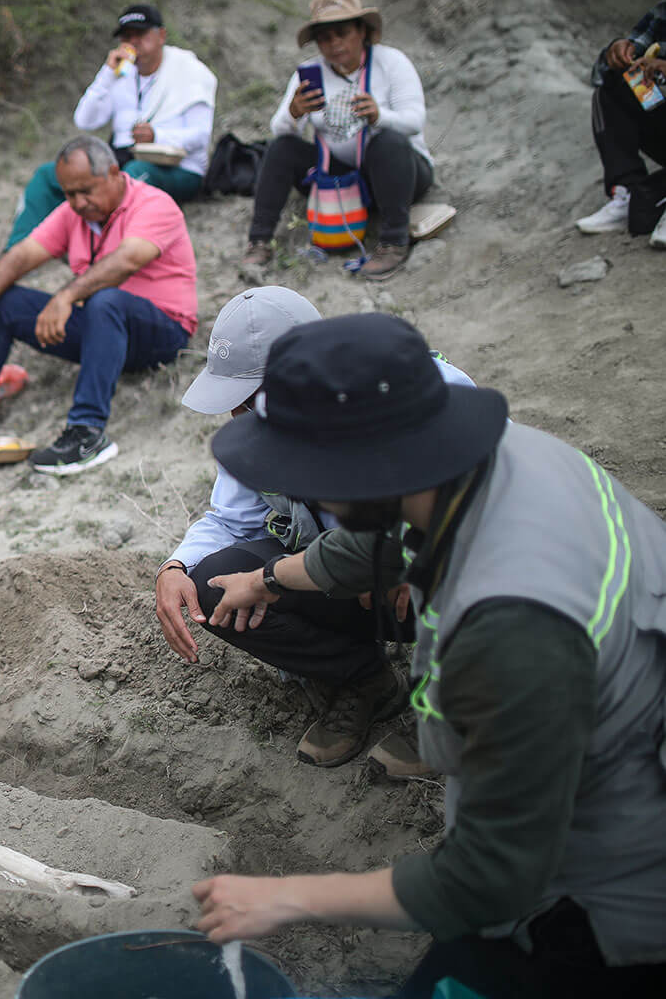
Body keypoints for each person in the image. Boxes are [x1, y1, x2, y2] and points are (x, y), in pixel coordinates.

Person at [190, 314, 666, 999]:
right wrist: (266, 578)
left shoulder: (511, 625)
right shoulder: (498, 460)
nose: (302, 492)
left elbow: (490, 879)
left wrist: (289, 897)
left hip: (618, 888)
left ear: (359, 471)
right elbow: (377, 540)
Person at [155, 288, 473, 771]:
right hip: (355, 582)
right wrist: (176, 565)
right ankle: (364, 679)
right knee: (212, 581)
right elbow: (227, 520)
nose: (240, 416)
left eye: (250, 401)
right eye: (237, 404)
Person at [0, 135, 196, 476]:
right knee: (2, 299)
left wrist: (64, 296)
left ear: (114, 173)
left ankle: (87, 432)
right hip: (104, 331)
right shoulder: (73, 213)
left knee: (105, 300)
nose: (79, 202)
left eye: (87, 190)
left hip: (161, 332)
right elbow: (21, 255)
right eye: (69, 193)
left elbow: (126, 261)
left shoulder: (154, 204)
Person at [241, 0, 434, 280]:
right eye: (324, 37)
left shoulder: (391, 63)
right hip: (339, 176)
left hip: (399, 172)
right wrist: (293, 113)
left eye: (342, 33)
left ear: (362, 32)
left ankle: (393, 242)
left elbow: (415, 121)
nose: (334, 44)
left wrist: (379, 116)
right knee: (282, 148)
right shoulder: (309, 74)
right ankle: (259, 241)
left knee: (388, 141)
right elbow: (278, 133)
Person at [0, 4, 216, 258]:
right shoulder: (121, 74)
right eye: (127, 38)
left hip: (176, 167)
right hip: (124, 160)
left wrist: (157, 136)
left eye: (141, 36)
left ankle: (106, 253)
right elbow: (85, 120)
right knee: (48, 175)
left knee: (130, 177)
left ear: (161, 36)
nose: (133, 44)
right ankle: (16, 253)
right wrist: (107, 74)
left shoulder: (189, 72)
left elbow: (200, 137)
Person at [574, 0, 666, 246]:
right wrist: (614, 52)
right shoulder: (661, 14)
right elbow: (600, 74)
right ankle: (626, 190)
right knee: (614, 85)